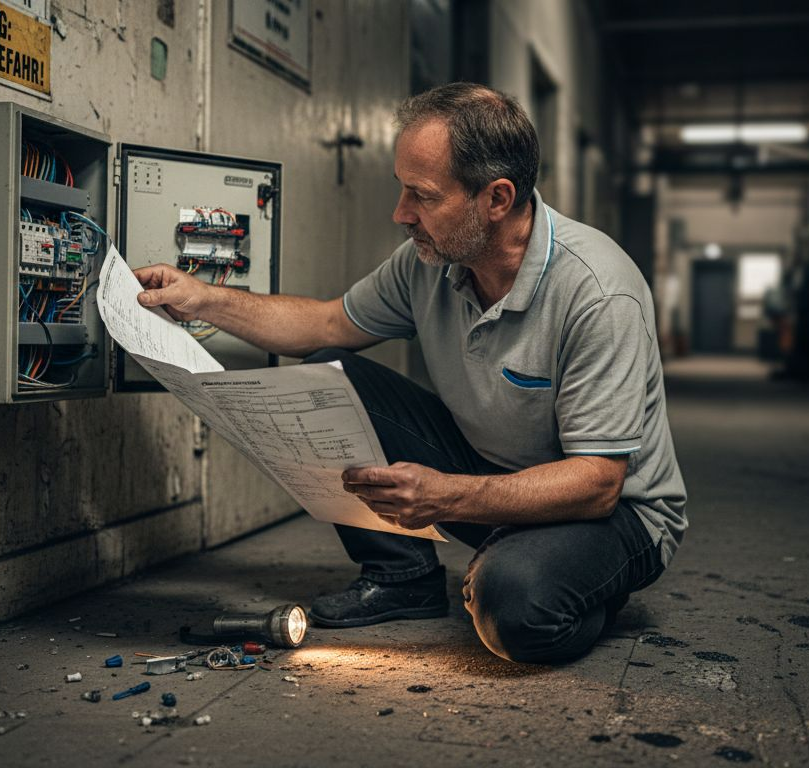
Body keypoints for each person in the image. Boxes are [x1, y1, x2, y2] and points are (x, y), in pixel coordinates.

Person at [133, 83, 687, 664]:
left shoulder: (599, 293)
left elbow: (599, 482)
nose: (402, 214)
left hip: (615, 512)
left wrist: (448, 495)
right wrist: (204, 299)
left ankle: (575, 583)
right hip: (493, 474)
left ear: (497, 199)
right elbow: (324, 324)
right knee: (329, 375)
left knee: (516, 609)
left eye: (422, 196)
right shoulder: (430, 264)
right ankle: (403, 577)